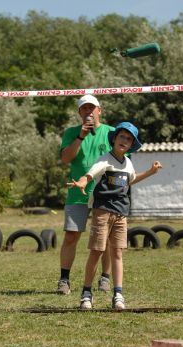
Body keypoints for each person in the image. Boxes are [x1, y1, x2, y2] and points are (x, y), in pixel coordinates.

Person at [70, 122, 162, 310]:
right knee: (97, 251)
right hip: (102, 211)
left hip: (121, 213)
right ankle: (86, 293)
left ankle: (118, 294)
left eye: (129, 139)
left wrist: (151, 172)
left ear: (131, 145)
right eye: (122, 136)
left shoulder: (128, 163)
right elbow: (90, 174)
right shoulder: (105, 159)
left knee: (117, 252)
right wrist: (81, 182)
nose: (124, 141)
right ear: (114, 139)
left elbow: (131, 179)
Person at [57, 94, 115, 295]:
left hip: (105, 194)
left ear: (100, 110)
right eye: (84, 108)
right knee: (71, 235)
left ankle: (105, 279)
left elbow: (121, 161)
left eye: (92, 108)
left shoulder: (112, 133)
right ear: (80, 113)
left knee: (105, 238)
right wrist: (80, 136)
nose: (88, 111)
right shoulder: (71, 133)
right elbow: (66, 158)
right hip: (77, 192)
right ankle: (64, 280)